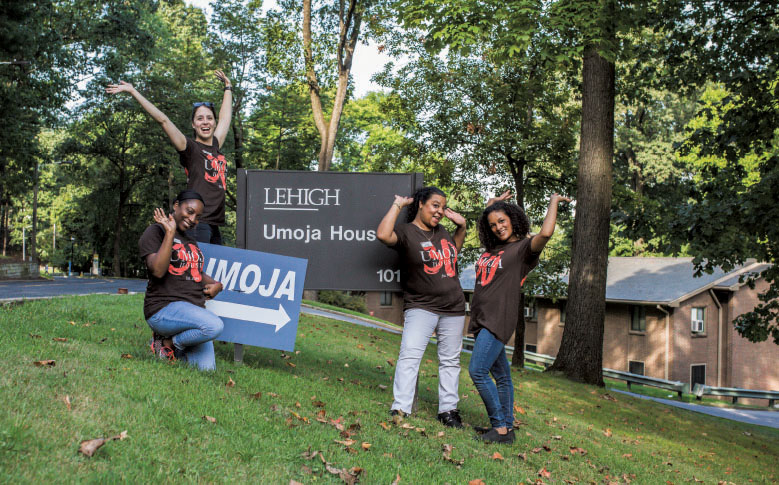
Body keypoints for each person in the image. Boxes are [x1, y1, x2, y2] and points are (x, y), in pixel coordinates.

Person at [468, 191, 571, 443]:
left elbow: (545, 234)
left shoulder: (523, 250)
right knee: (502, 376)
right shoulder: (494, 247)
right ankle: (508, 429)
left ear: (513, 219)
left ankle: (500, 428)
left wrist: (553, 201)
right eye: (493, 225)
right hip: (481, 315)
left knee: (477, 371)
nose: (498, 227)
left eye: (502, 221)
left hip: (497, 318)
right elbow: (488, 218)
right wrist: (492, 205)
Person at [106, 70, 233, 244]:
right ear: (193, 124)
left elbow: (226, 118)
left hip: (214, 224)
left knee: (210, 272)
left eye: (209, 118)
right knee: (195, 270)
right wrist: (134, 92)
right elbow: (163, 121)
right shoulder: (190, 148)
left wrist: (228, 87)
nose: (205, 122)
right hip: (198, 223)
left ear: (214, 122)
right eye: (200, 118)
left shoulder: (216, 145)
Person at [377, 186, 468, 427]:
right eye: (435, 205)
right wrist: (398, 204)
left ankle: (448, 411)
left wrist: (462, 227)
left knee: (450, 361)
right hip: (421, 306)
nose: (439, 211)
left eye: (443, 207)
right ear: (421, 204)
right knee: (410, 355)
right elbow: (383, 235)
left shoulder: (443, 232)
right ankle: (400, 408)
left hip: (454, 307)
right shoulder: (407, 232)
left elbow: (452, 254)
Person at [139, 190, 225, 371]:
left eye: (198, 216)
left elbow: (196, 273)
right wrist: (170, 233)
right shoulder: (156, 232)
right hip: (164, 309)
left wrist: (217, 285)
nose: (193, 219)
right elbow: (158, 270)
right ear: (176, 205)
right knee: (214, 326)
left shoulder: (191, 241)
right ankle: (167, 342)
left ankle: (171, 347)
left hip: (192, 311)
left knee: (206, 370)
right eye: (190, 211)